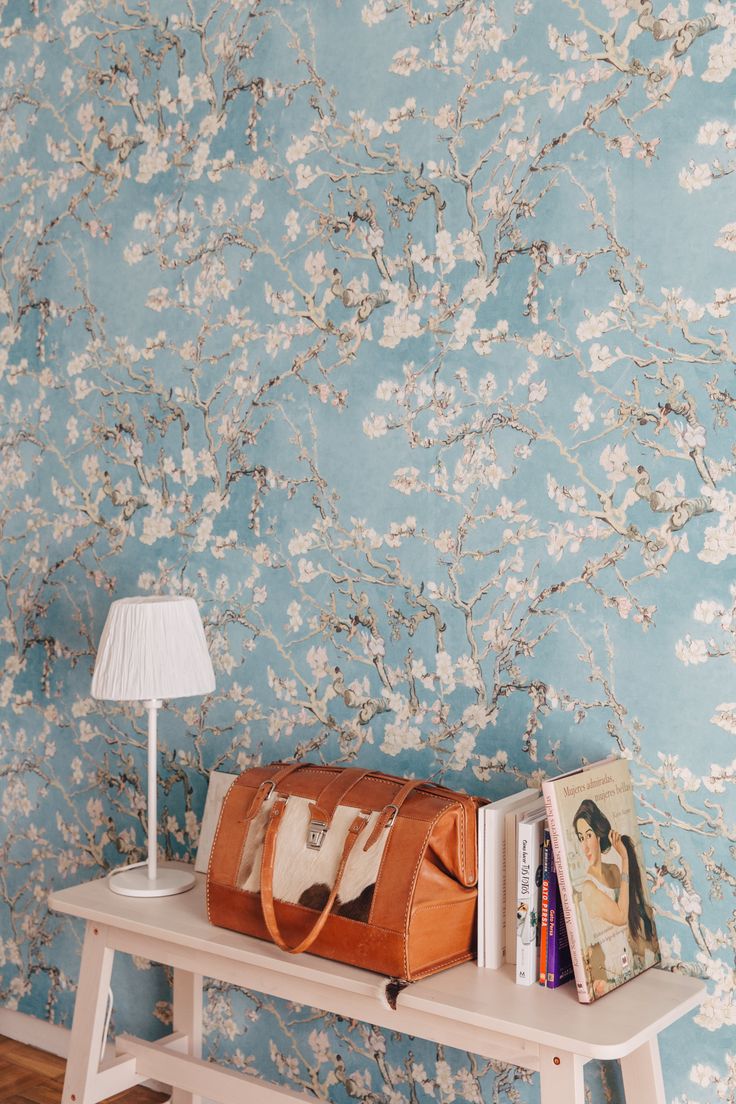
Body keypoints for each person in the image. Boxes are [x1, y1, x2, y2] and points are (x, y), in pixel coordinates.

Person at [573, 798, 658, 996]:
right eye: (580, 837)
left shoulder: (612, 870)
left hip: (633, 965)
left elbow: (629, 912)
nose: (585, 846)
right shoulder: (588, 888)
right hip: (614, 974)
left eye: (589, 835)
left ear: (598, 835)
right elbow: (620, 917)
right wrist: (625, 859)